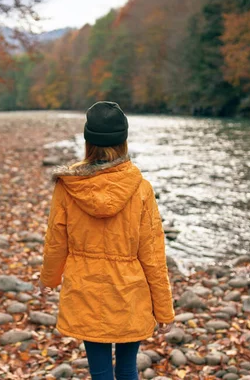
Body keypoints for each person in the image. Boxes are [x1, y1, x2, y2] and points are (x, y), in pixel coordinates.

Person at [38, 101, 175, 380]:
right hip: (129, 293)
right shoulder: (141, 188)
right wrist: (164, 309)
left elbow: (56, 241)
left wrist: (49, 279)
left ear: (88, 142)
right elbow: (153, 254)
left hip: (85, 290)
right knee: (127, 368)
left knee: (99, 372)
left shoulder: (69, 186)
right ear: (124, 141)